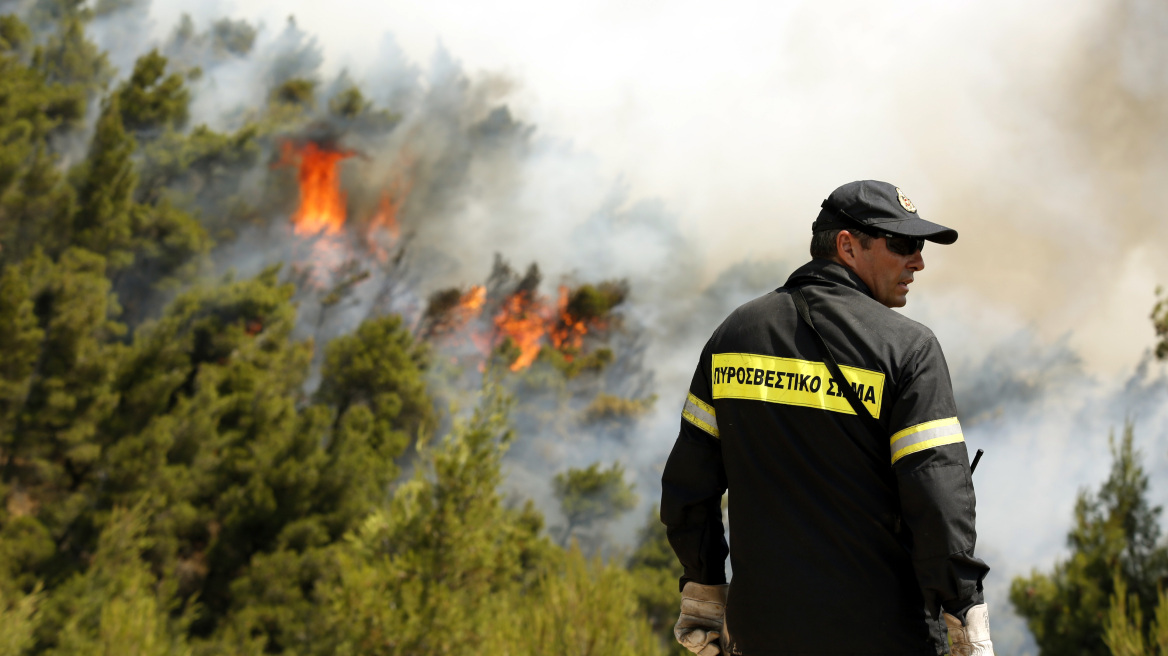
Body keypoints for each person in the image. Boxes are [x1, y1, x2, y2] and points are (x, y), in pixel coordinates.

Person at [661, 180, 993, 656]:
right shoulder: (910, 350)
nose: (918, 261)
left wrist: (703, 593)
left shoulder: (733, 334)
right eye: (902, 244)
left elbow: (688, 493)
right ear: (846, 245)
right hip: (884, 636)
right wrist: (965, 615)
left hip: (761, 637)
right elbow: (939, 502)